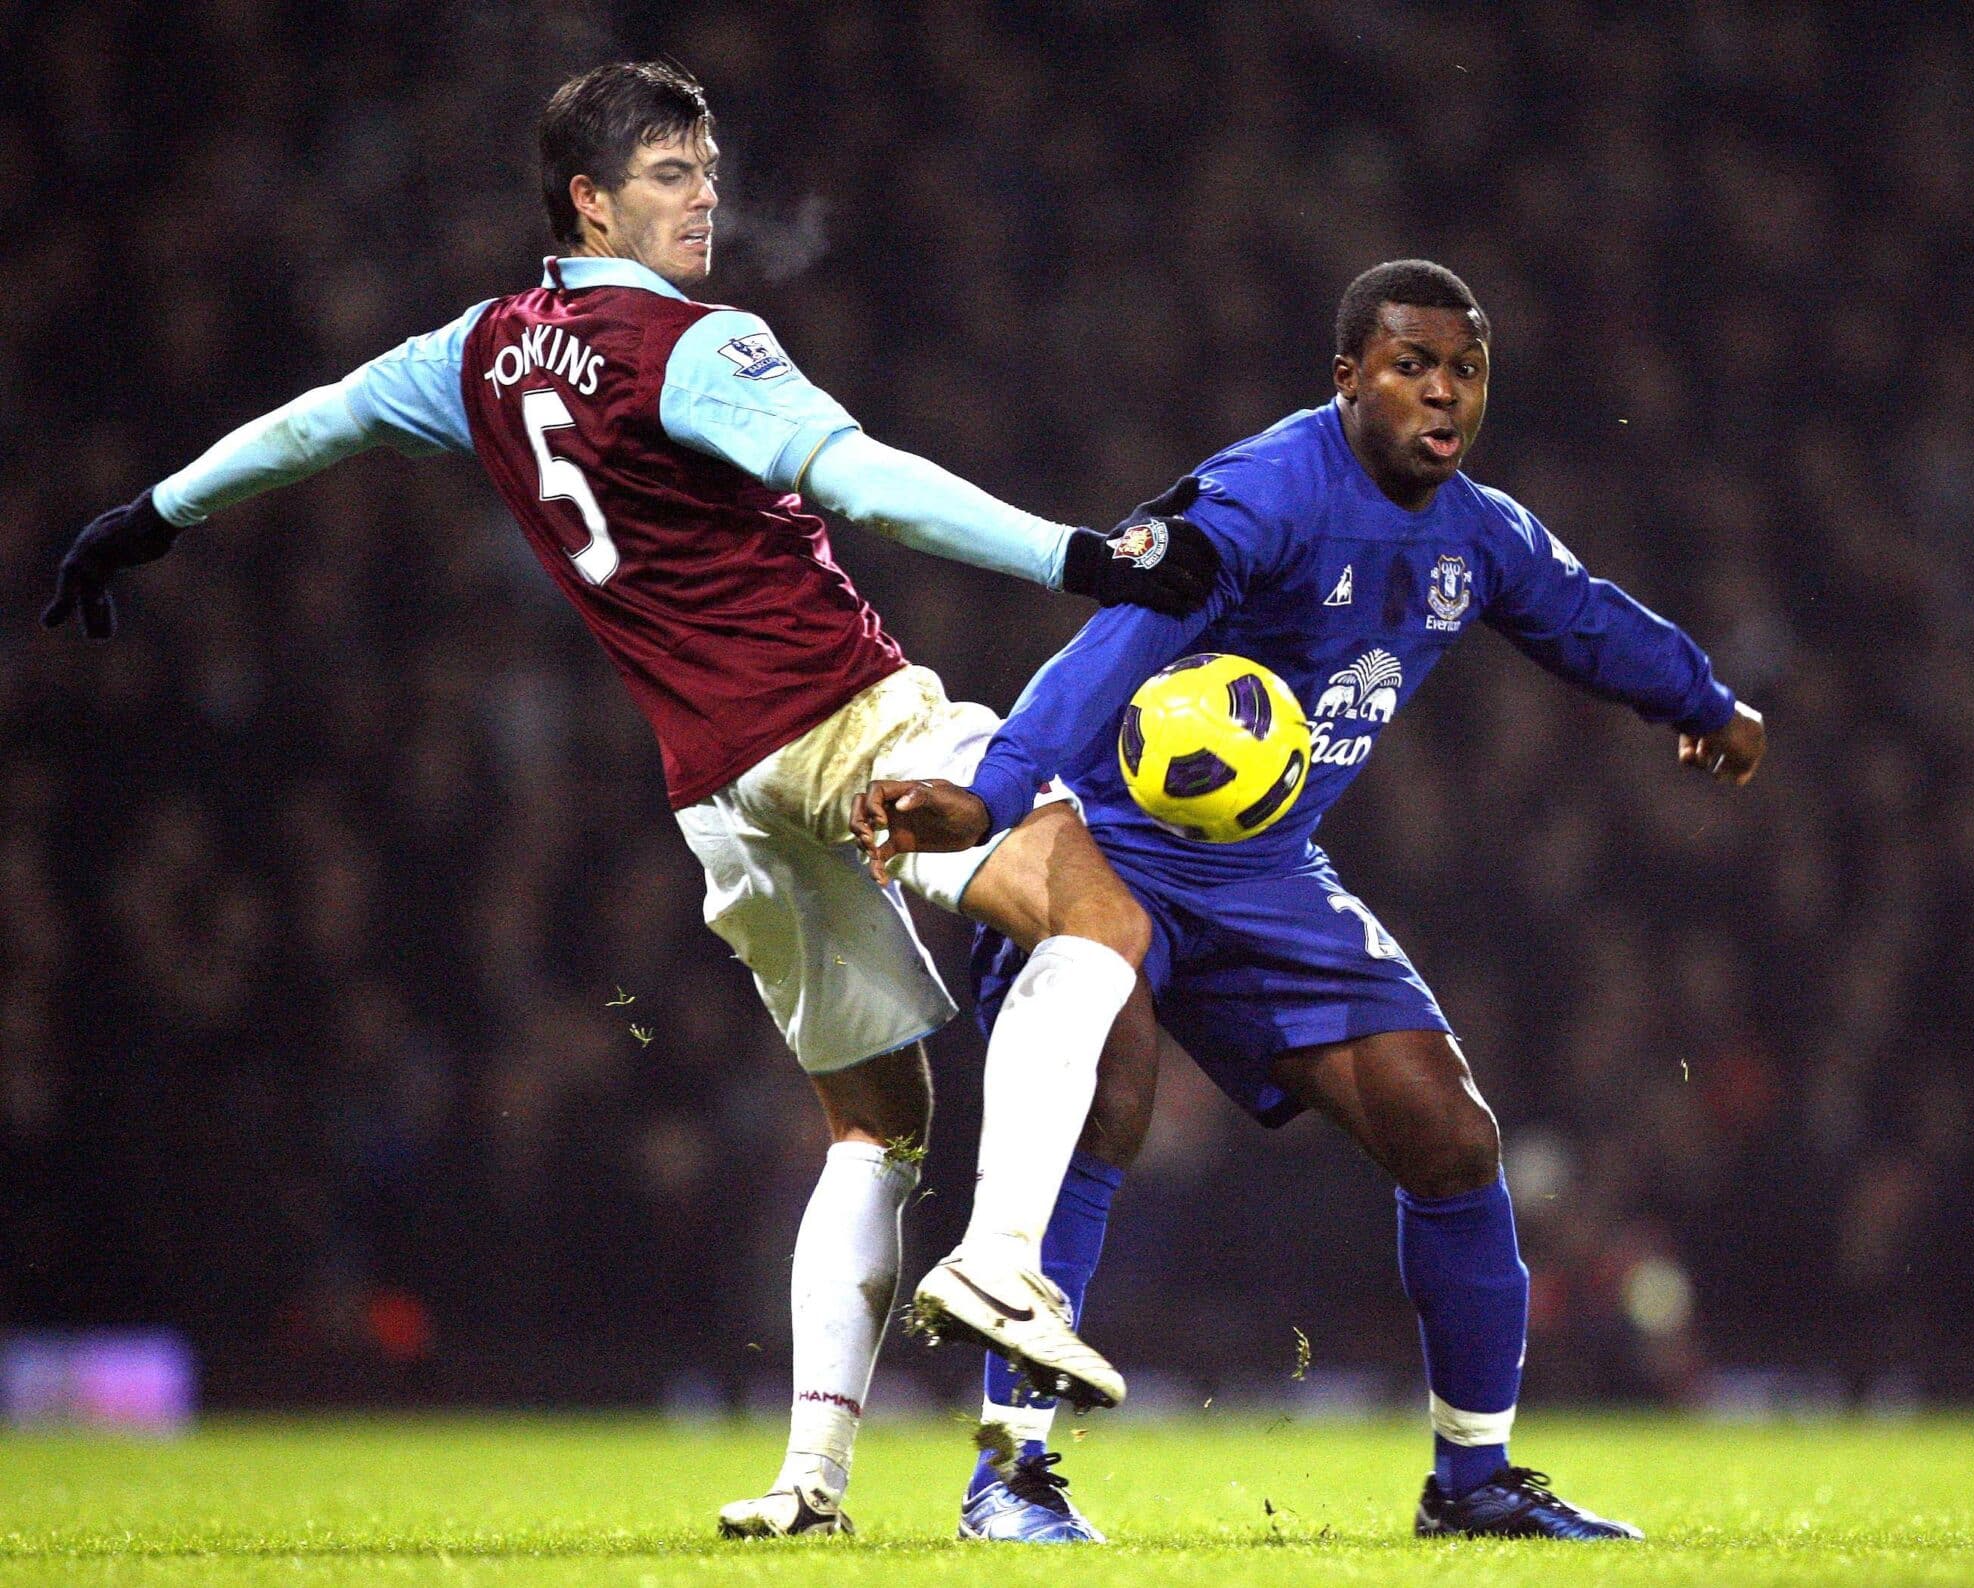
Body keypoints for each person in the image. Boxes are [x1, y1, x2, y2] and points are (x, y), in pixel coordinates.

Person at [41, 61, 1224, 1539]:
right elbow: (858, 479)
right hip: (846, 719)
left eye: (712, 169)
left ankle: (808, 1484)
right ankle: (999, 1256)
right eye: (670, 172)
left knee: (876, 1126)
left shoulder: (477, 353)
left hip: (718, 788)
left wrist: (148, 518)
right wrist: (1082, 559)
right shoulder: (694, 344)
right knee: (1099, 923)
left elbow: (313, 423)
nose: (705, 195)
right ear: (589, 201)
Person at [856, 258, 1766, 1543]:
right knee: (1102, 1110)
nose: (1441, 396)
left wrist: (1703, 701)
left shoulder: (1475, 532)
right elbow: (1115, 632)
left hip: (1266, 868)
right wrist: (999, 793)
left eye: (1464, 371)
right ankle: (1009, 1476)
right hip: (1107, 842)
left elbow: (1577, 617)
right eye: (1409, 367)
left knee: (1448, 1133)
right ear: (1347, 379)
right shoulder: (1265, 495)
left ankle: (1473, 1482)